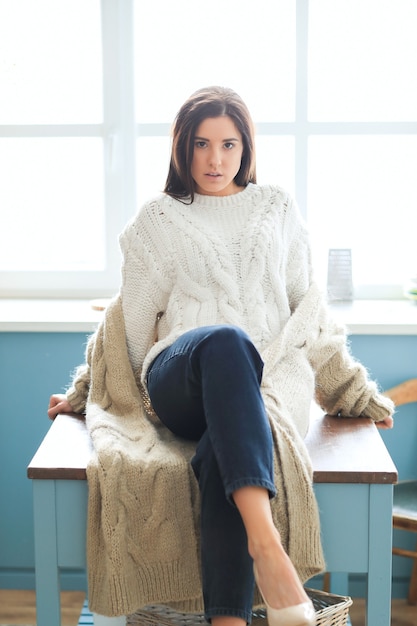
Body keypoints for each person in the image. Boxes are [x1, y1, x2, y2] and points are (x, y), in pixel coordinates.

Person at [49, 86, 394, 626]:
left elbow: (310, 311)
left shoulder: (275, 208)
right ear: (181, 148)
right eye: (201, 144)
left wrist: (353, 391)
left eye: (228, 144)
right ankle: (269, 550)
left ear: (246, 148)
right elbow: (125, 321)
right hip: (177, 378)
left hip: (260, 389)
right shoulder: (158, 219)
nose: (214, 159)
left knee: (223, 448)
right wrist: (83, 391)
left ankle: (228, 618)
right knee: (227, 341)